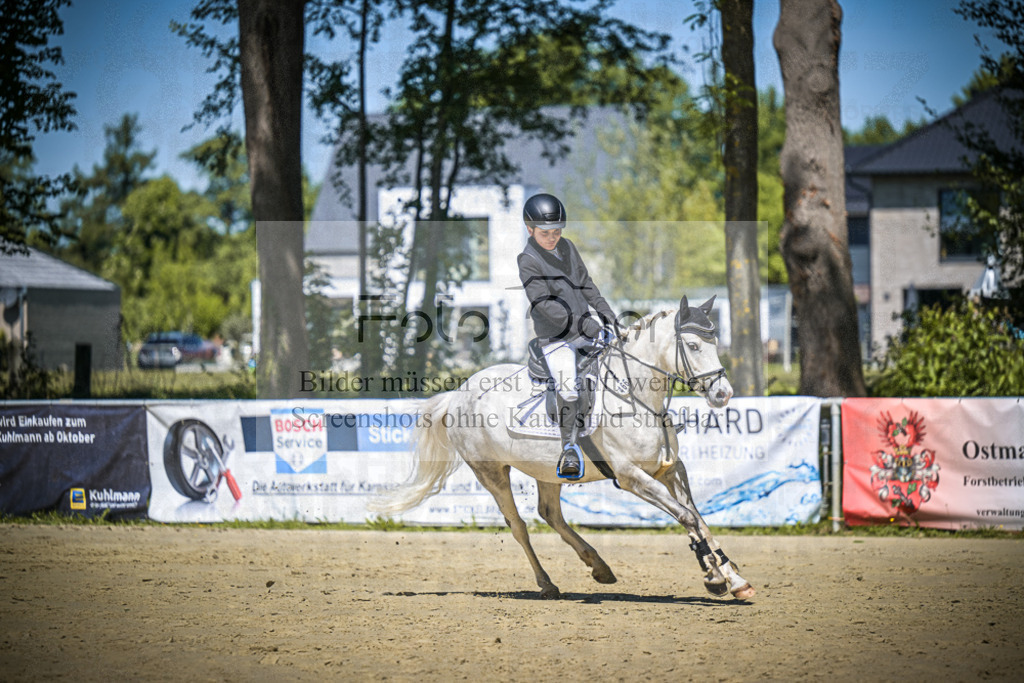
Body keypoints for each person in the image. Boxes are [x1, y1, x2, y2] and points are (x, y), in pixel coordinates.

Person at [517, 193, 617, 479]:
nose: (552, 238)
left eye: (557, 232)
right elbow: (544, 305)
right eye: (546, 233)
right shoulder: (528, 260)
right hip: (556, 339)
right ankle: (570, 448)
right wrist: (583, 325)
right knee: (570, 386)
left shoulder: (568, 248)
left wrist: (606, 312)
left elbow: (586, 283)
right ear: (530, 229)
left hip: (585, 329)